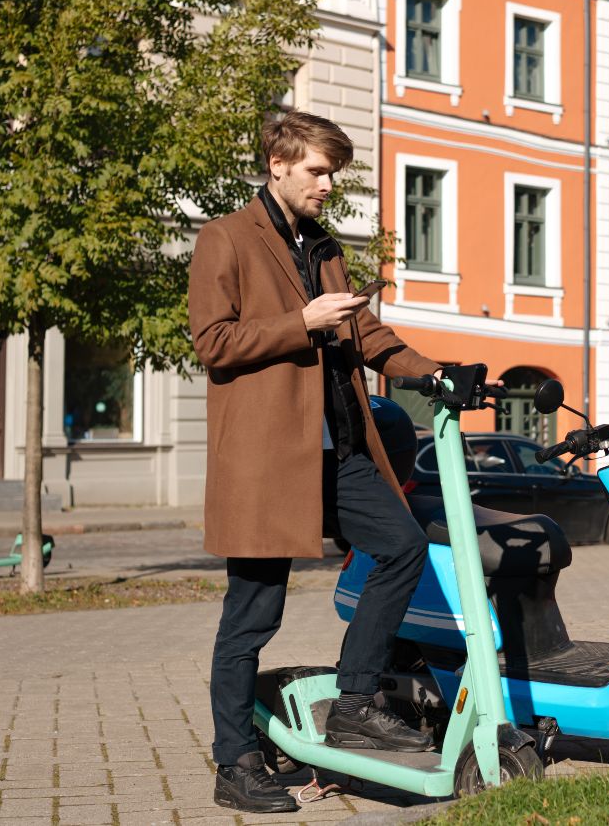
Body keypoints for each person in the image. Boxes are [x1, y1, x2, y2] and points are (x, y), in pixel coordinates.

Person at [188, 111, 442, 814]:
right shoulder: (225, 238)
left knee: (401, 549)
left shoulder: (324, 247)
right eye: (318, 171)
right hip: (267, 461)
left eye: (334, 172)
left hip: (339, 451)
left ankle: (356, 701)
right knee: (252, 615)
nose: (330, 184)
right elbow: (212, 341)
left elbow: (363, 331)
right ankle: (234, 759)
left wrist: (434, 373)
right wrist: (299, 323)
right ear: (277, 162)